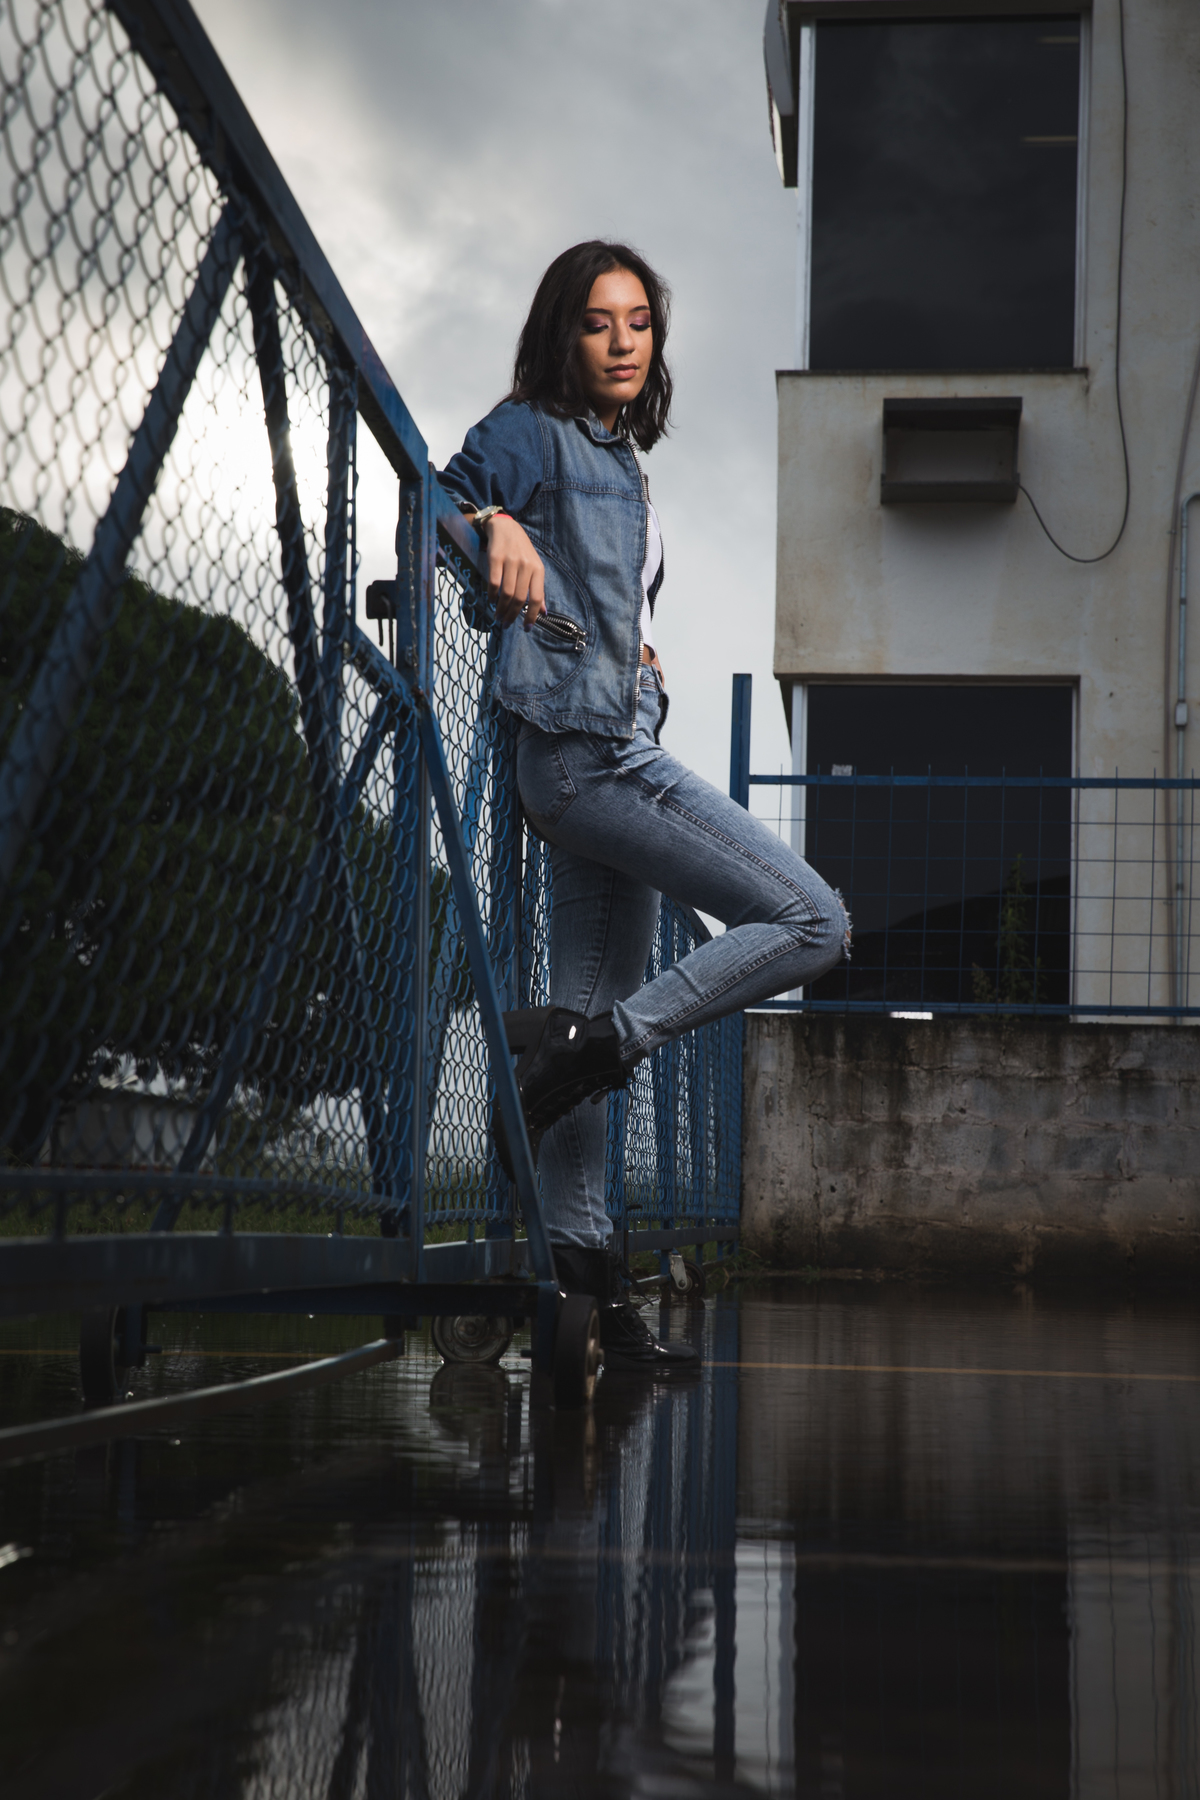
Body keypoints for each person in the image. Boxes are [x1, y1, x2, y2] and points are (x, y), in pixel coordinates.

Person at [440, 240, 848, 1372]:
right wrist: (492, 524)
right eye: (596, 321)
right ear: (561, 335)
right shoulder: (533, 431)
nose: (621, 341)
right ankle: (604, 1048)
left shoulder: (624, 458)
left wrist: (646, 657)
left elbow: (617, 601)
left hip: (612, 744)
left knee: (584, 998)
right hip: (589, 757)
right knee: (813, 921)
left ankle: (585, 1281)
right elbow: (440, 499)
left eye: (638, 322)